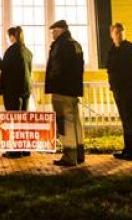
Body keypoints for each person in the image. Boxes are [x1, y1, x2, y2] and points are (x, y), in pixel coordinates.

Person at [46, 19, 85, 167]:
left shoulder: (61, 46)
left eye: (54, 31)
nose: (52, 35)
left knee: (65, 122)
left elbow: (57, 68)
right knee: (75, 121)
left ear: (60, 30)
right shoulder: (76, 44)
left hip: (61, 90)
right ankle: (79, 153)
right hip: (73, 90)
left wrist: (53, 82)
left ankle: (69, 155)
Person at [106, 22, 132, 160]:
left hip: (130, 91)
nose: (119, 34)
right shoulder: (112, 50)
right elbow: (110, 69)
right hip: (118, 90)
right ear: (112, 34)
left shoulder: (130, 49)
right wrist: (112, 85)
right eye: (116, 32)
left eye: (121, 31)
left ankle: (130, 151)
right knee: (127, 120)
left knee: (130, 120)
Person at [0, 26, 33, 158]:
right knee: (23, 120)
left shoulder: (11, 51)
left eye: (8, 36)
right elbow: (29, 70)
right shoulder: (28, 51)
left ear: (12, 36)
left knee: (14, 120)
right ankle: (25, 148)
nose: (7, 39)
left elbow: (5, 68)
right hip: (25, 90)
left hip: (13, 91)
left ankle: (15, 151)